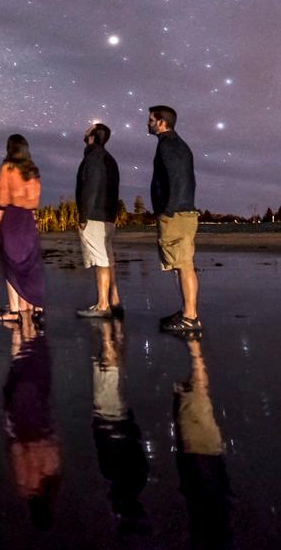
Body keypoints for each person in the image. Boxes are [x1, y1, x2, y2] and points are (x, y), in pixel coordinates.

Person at [2, 311, 62, 530]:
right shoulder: (31, 486)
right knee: (23, 380)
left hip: (35, 427)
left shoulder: (38, 483)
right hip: (30, 429)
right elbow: (18, 450)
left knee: (28, 380)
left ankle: (32, 335)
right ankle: (31, 336)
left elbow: (48, 448)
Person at [148, 105, 202, 335]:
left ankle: (190, 317)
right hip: (182, 211)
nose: (148, 123)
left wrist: (167, 211)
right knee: (183, 264)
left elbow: (177, 179)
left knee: (184, 265)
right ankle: (186, 311)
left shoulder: (168, 145)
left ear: (162, 122)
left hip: (177, 214)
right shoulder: (177, 145)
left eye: (151, 119)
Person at [174, 338, 232, 548]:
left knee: (195, 408)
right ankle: (196, 354)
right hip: (202, 454)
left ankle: (196, 350)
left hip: (201, 452)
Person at [90, 320, 148, 531]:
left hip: (114, 421)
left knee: (109, 373)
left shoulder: (133, 477)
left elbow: (134, 449)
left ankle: (111, 336)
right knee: (109, 374)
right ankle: (110, 336)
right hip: (113, 421)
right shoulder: (127, 478)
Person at [0, 133, 46, 322]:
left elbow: (2, 198)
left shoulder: (7, 167)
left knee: (10, 264)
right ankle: (34, 306)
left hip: (11, 218)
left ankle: (14, 311)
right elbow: (34, 202)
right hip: (28, 219)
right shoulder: (33, 170)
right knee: (30, 264)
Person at [75, 121, 125, 319]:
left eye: (88, 130)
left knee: (101, 260)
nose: (85, 131)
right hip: (107, 215)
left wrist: (83, 215)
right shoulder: (109, 159)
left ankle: (102, 305)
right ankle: (113, 299)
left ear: (93, 137)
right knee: (107, 257)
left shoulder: (94, 157)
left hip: (95, 216)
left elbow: (91, 187)